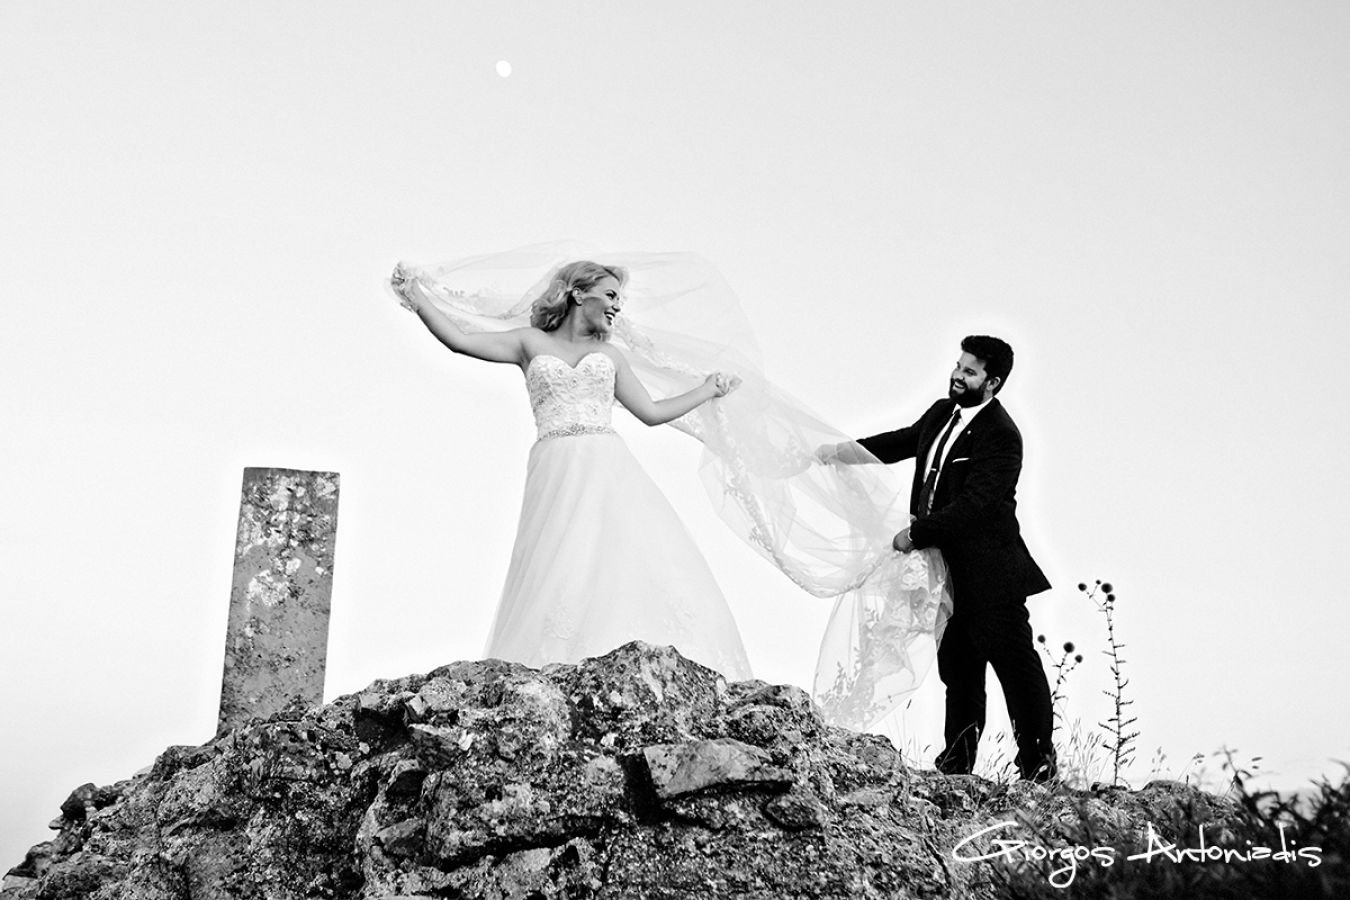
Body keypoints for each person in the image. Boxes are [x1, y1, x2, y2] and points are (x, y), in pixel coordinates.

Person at [390, 258, 754, 681]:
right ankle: (552, 662)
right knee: (559, 559)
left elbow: (652, 413)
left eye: (621, 299)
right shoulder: (529, 343)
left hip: (606, 463)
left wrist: (707, 389)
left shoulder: (610, 355)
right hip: (555, 463)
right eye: (611, 295)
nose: (618, 306)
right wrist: (416, 297)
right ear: (579, 293)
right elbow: (459, 340)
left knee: (615, 555)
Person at [820, 336, 1055, 782]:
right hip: (946, 574)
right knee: (959, 669)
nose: (957, 375)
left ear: (993, 382)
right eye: (958, 366)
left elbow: (977, 504)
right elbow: (903, 441)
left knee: (1015, 668)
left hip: (991, 573)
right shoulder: (941, 413)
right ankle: (957, 765)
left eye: (970, 372)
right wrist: (843, 452)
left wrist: (917, 533)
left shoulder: (1002, 436)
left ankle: (1038, 764)